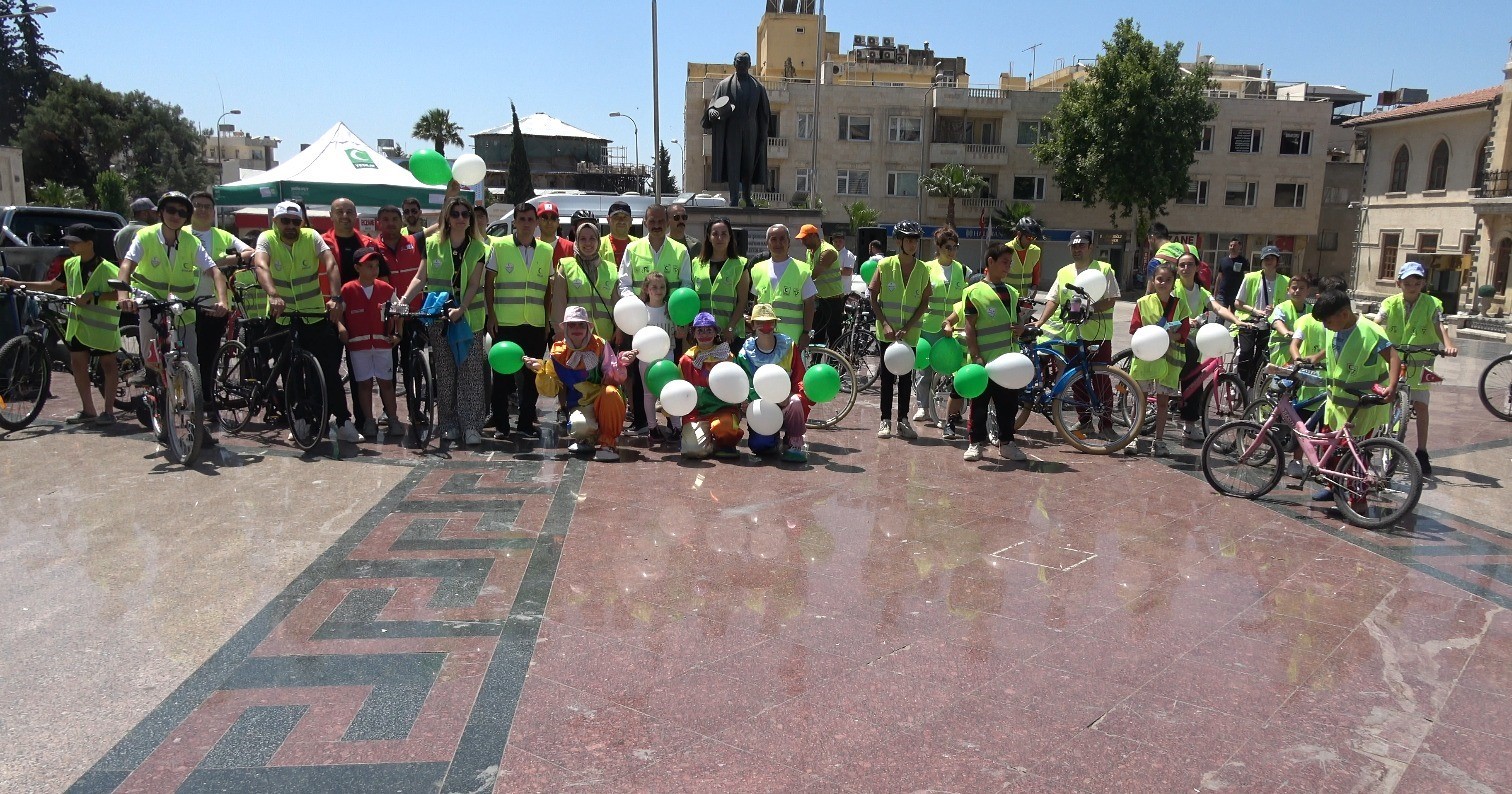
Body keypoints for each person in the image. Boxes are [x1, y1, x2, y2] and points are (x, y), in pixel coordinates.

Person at [117, 191, 231, 447]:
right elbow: (127, 265)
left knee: (191, 366)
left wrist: (221, 300)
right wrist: (123, 294)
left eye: (182, 212)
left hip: (182, 310)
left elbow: (214, 271)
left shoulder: (190, 241)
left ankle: (196, 425)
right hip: (150, 305)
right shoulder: (145, 236)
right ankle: (154, 393)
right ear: (160, 213)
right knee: (152, 360)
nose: (176, 216)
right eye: (171, 211)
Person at [248, 200, 358, 443]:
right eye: (285, 221)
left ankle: (342, 420)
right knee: (290, 372)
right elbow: (261, 265)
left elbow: (330, 263)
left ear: (302, 223)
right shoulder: (267, 238)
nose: (290, 226)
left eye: (295, 222)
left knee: (329, 370)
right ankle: (299, 418)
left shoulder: (311, 237)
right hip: (282, 314)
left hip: (313, 313)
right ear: (275, 222)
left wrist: (337, 297)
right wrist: (273, 294)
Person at [0, 223, 121, 426]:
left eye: (75, 242)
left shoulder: (108, 268)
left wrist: (95, 295)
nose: (71, 246)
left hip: (102, 327)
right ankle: (88, 410)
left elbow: (123, 293)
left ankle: (109, 411)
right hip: (77, 326)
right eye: (69, 242)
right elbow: (53, 285)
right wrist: (19, 284)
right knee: (78, 365)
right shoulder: (70, 264)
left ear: (89, 244)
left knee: (108, 365)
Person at [397, 197, 489, 445]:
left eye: (465, 214)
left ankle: (471, 425)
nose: (460, 218)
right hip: (439, 316)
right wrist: (404, 300)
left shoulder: (480, 249)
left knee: (470, 373)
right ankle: (448, 423)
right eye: (455, 214)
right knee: (446, 373)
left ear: (471, 220)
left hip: (469, 319)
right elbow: (420, 277)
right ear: (447, 218)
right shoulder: (432, 244)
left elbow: (473, 283)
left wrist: (461, 308)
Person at [1304, 288, 1402, 501]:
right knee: (1330, 449)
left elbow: (1394, 358)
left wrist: (1392, 387)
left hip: (1361, 407)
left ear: (1344, 314)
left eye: (1327, 321)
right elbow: (1333, 348)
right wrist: (1315, 357)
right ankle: (1333, 488)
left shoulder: (1370, 331)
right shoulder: (1334, 327)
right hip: (1335, 404)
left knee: (1355, 456)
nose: (1325, 326)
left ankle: (1358, 501)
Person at [1371, 261, 1458, 474]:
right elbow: (1377, 321)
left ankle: (1422, 450)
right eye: (1408, 283)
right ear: (1399, 283)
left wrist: (1447, 345)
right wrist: (1369, 334)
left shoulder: (1432, 303)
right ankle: (1372, 442)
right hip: (1392, 361)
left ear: (1423, 284)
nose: (1412, 287)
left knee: (1421, 406)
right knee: (1381, 401)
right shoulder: (1390, 303)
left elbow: (1439, 325)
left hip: (1419, 365)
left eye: (1417, 283)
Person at [1037, 230, 1122, 439]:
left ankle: (1106, 425)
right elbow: (1053, 299)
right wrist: (1039, 322)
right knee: (1076, 381)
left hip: (1098, 335)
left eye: (1081, 245)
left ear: (1091, 247)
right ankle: (1085, 422)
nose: (1077, 249)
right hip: (1072, 335)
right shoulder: (1064, 272)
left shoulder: (1104, 269)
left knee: (1101, 381)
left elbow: (1111, 299)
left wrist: (1090, 309)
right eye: (1074, 246)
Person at [617, 204, 691, 433]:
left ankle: (673, 423)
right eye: (652, 221)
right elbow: (624, 283)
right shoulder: (633, 248)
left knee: (671, 377)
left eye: (661, 221)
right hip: (641, 325)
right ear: (645, 223)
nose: (657, 225)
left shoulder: (680, 250)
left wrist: (679, 316)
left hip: (670, 324)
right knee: (641, 379)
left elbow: (687, 285)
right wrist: (638, 307)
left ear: (667, 223)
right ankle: (643, 423)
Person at [526, 305, 629, 462]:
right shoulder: (558, 352)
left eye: (581, 324)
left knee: (610, 392)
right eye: (572, 324)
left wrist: (620, 364)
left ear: (588, 327)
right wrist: (541, 370)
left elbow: (614, 377)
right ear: (565, 328)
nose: (577, 328)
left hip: (604, 399)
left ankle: (608, 444)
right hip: (580, 403)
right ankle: (587, 438)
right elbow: (551, 390)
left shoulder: (600, 345)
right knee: (579, 427)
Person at [487, 202, 555, 439]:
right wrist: (491, 315)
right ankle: (502, 426)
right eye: (522, 219)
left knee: (531, 377)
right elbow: (489, 282)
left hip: (534, 324)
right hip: (505, 323)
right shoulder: (500, 245)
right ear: (514, 222)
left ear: (536, 223)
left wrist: (547, 321)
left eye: (530, 219)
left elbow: (548, 289)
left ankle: (525, 424)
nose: (526, 224)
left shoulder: (546, 250)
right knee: (502, 378)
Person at [186, 190, 253, 428]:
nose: (202, 209)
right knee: (185, 357)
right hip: (182, 307)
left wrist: (223, 262)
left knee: (208, 357)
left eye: (206, 206)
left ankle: (207, 403)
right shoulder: (180, 234)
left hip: (214, 306)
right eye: (197, 205)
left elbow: (249, 253)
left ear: (213, 211)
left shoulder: (222, 236)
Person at [962, 243, 1028, 462]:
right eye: (1004, 262)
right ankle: (975, 443)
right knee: (979, 404)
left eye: (1010, 263)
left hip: (1008, 361)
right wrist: (976, 355)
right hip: (985, 361)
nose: (1008, 267)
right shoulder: (974, 292)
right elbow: (969, 326)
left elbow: (1018, 317)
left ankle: (1007, 443)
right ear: (990, 262)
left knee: (1008, 405)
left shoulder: (1012, 292)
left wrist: (1021, 327)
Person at [869, 220, 932, 441]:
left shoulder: (923, 268)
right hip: (887, 334)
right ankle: (885, 419)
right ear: (899, 241)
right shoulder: (885, 265)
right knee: (887, 378)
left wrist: (908, 327)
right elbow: (873, 297)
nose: (913, 244)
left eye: (915, 240)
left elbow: (925, 301)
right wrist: (885, 324)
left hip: (910, 334)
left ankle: (902, 420)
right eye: (908, 240)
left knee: (906, 378)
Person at [1173, 252, 1240, 441]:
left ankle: (1189, 424)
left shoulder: (1201, 291)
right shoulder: (1174, 287)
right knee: (1192, 373)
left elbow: (1217, 308)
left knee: (1196, 379)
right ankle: (1184, 413)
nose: (1185, 269)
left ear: (1197, 268)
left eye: (1189, 265)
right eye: (1182, 265)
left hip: (1195, 340)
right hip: (1175, 338)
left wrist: (1237, 320)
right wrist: (1186, 321)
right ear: (1178, 269)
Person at [1127, 262, 1191, 457]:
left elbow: (1185, 331)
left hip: (1169, 360)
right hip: (1146, 357)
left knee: (1163, 403)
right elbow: (1134, 329)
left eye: (1168, 280)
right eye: (1159, 279)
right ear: (1153, 281)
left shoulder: (1180, 304)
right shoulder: (1142, 302)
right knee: (1140, 399)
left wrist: (1170, 336)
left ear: (1174, 283)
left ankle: (1160, 440)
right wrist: (1152, 335)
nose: (1163, 283)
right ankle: (1133, 437)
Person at [338, 248, 400, 440]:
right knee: (364, 385)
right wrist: (341, 327)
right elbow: (338, 313)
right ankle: (369, 421)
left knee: (386, 384)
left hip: (382, 344)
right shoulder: (347, 290)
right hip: (358, 346)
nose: (374, 270)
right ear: (357, 267)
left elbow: (398, 313)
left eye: (376, 266)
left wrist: (398, 333)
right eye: (369, 266)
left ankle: (393, 419)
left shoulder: (386, 289)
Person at [738, 303, 808, 462]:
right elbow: (745, 384)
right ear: (753, 324)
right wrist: (748, 402)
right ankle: (772, 439)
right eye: (760, 322)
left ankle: (793, 442)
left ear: (776, 323)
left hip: (785, 403)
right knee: (761, 447)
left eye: (770, 321)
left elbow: (800, 379)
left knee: (796, 402)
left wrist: (790, 395)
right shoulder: (745, 353)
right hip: (761, 407)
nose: (765, 326)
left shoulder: (788, 347)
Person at [914, 227, 967, 434]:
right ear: (938, 247)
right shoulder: (926, 268)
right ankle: (922, 406)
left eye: (955, 247)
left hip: (953, 327)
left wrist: (954, 322)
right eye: (948, 247)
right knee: (925, 368)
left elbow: (963, 300)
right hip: (929, 325)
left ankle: (954, 411)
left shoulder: (962, 269)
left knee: (955, 369)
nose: (952, 251)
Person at [702, 51, 771, 207]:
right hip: (731, 132)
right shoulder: (724, 85)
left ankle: (747, 196)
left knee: (748, 165)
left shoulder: (758, 87)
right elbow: (713, 104)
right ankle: (734, 197)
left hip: (751, 131)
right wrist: (712, 110)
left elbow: (764, 113)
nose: (741, 65)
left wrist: (763, 134)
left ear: (749, 65)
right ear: (734, 63)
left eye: (744, 62)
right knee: (733, 164)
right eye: (739, 62)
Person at [677, 311, 743, 459]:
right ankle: (709, 443)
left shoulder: (727, 357)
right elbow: (679, 387)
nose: (704, 334)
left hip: (723, 409)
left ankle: (723, 442)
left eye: (709, 330)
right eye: (700, 330)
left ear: (715, 333)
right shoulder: (686, 360)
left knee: (724, 428)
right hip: (697, 413)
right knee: (693, 451)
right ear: (693, 334)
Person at [750, 224, 816, 359]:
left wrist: (806, 333)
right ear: (767, 243)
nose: (778, 243)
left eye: (782, 239)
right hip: (764, 337)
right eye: (773, 239)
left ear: (789, 242)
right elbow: (756, 302)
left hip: (792, 338)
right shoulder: (757, 269)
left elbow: (809, 304)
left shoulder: (802, 270)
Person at [637, 271, 685, 442]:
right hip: (646, 358)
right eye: (654, 287)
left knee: (670, 393)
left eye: (662, 287)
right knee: (649, 394)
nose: (658, 290)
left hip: (667, 356)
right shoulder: (641, 310)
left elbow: (680, 334)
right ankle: (652, 427)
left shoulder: (671, 309)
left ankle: (677, 427)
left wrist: (681, 326)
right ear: (646, 289)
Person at [1232, 245, 1290, 389]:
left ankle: (1252, 387)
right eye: (1266, 258)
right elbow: (1238, 303)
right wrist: (1255, 311)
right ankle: (1237, 384)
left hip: (1269, 325)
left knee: (1261, 358)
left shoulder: (1285, 281)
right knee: (1245, 352)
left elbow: (1288, 306)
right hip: (1249, 322)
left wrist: (1275, 311)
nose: (1269, 261)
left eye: (1272, 258)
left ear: (1277, 261)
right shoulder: (1250, 277)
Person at [553, 218, 617, 340]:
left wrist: (619, 330)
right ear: (576, 241)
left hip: (604, 338)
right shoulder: (566, 267)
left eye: (592, 238)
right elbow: (558, 305)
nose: (588, 243)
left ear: (598, 241)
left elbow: (617, 306)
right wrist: (560, 333)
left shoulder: (611, 269)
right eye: (582, 239)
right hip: (574, 338)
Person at [694, 217, 750, 343]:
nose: (720, 238)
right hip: (703, 334)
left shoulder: (740, 264)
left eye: (724, 234)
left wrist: (730, 328)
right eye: (715, 234)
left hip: (730, 335)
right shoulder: (696, 263)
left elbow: (742, 301)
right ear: (709, 237)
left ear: (730, 237)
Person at [797, 223, 845, 347]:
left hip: (833, 300)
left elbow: (813, 274)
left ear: (814, 236)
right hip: (819, 299)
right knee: (817, 334)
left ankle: (836, 363)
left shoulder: (827, 251)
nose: (803, 242)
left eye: (805, 238)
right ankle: (816, 362)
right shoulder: (810, 250)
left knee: (834, 335)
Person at [1142, 222, 1196, 294]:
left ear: (1152, 238)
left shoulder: (1156, 262)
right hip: (1195, 301)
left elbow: (1149, 294)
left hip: (1172, 303)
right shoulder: (1190, 249)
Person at [1005, 217, 1042, 299]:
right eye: (1029, 237)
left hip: (1026, 300)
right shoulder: (1006, 249)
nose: (1031, 241)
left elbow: (1036, 273)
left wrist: (1034, 288)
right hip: (1007, 298)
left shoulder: (1036, 251)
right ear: (1019, 234)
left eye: (1034, 238)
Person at [113, 197, 157, 262]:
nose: (157, 215)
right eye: (154, 213)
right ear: (144, 214)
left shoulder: (119, 234)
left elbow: (120, 262)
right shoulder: (151, 232)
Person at [1215, 237, 1248, 309]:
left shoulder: (1243, 261)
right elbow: (1219, 277)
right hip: (1222, 294)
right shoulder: (1223, 260)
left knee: (1235, 317)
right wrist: (1215, 293)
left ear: (1240, 247)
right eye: (1231, 245)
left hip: (1237, 294)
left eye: (1235, 245)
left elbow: (1246, 278)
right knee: (1220, 317)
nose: (1232, 247)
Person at [605, 200, 638, 266]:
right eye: (616, 217)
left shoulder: (640, 244)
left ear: (631, 221)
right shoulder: (597, 245)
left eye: (625, 217)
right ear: (608, 220)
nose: (621, 221)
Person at [830, 230, 857, 296]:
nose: (838, 243)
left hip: (843, 292)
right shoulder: (830, 254)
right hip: (832, 291)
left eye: (840, 241)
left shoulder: (848, 255)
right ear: (832, 242)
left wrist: (830, 270)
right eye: (835, 241)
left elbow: (847, 272)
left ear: (844, 242)